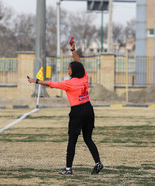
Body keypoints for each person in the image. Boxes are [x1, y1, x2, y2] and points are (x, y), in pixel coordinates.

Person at [27, 41, 103, 175]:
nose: (68, 70)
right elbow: (79, 64)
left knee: (72, 140)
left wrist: (36, 81)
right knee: (88, 138)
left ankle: (68, 169)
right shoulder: (85, 77)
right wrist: (73, 51)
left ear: (73, 71)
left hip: (77, 112)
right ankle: (98, 163)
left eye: (69, 68)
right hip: (89, 110)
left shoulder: (69, 83)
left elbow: (51, 83)